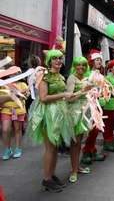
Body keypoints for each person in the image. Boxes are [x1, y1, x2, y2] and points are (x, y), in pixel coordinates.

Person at [27, 49, 74, 192]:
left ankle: (51, 176)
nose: (58, 61)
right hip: (47, 114)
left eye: (60, 58)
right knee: (50, 148)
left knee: (55, 147)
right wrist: (63, 95)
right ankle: (46, 179)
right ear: (49, 61)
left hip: (59, 114)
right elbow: (43, 98)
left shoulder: (59, 76)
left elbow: (65, 95)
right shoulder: (44, 75)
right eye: (55, 59)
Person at [66, 57, 93, 183]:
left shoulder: (88, 78)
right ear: (75, 66)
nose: (81, 67)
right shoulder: (72, 78)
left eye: (83, 65)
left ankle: (77, 167)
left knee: (80, 141)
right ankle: (73, 170)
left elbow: (90, 94)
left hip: (85, 112)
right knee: (75, 143)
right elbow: (69, 98)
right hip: (74, 113)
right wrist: (83, 91)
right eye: (78, 65)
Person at [81, 49, 106, 165]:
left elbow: (101, 89)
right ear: (92, 61)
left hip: (96, 104)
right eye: (97, 59)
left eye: (100, 60)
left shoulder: (100, 74)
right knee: (89, 128)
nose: (99, 61)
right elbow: (83, 87)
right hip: (86, 104)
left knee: (96, 129)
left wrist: (102, 95)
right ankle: (87, 152)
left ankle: (91, 150)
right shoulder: (86, 73)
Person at [1, 78, 29, 160]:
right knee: (5, 130)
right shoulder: (2, 86)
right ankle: (7, 149)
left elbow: (24, 97)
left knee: (18, 129)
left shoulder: (22, 84)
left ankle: (17, 148)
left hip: (19, 110)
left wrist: (11, 96)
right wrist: (12, 96)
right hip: (6, 110)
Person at [101, 60, 114, 152]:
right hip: (109, 104)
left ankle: (111, 141)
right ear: (110, 68)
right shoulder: (107, 78)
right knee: (108, 125)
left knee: (113, 124)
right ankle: (107, 142)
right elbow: (106, 90)